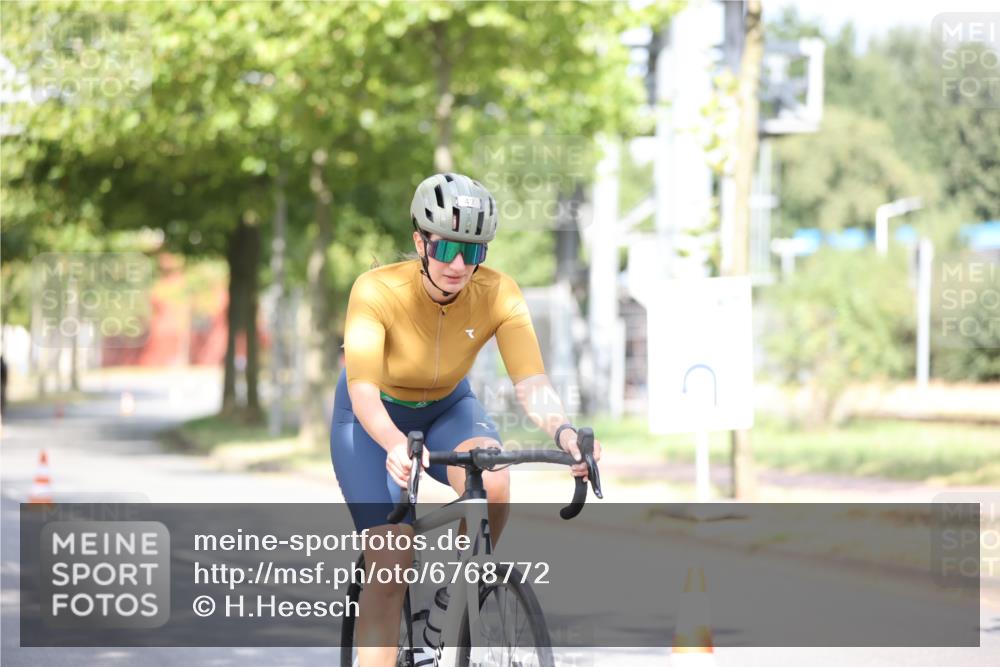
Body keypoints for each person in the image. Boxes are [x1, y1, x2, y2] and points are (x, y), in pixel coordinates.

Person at [330, 172, 601, 667]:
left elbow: (531, 384)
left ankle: (452, 606)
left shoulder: (499, 294)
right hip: (372, 422)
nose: (458, 264)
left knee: (494, 479)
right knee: (391, 561)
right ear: (420, 241)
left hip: (448, 408)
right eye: (447, 248)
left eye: (473, 252)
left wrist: (564, 433)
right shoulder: (376, 290)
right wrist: (394, 444)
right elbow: (363, 388)